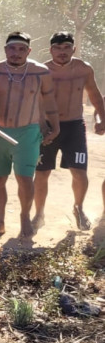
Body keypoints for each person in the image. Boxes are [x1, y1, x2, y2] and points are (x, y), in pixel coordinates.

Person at [0, 32, 59, 238]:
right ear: (5, 49)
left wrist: (55, 127)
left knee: (25, 179)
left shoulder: (40, 72)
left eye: (21, 49)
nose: (16, 53)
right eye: (12, 48)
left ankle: (25, 218)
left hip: (28, 132)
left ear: (29, 51)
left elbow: (49, 100)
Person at [32, 32, 105, 231]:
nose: (62, 52)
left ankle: (78, 208)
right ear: (51, 50)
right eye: (57, 48)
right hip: (47, 126)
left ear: (74, 49)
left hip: (74, 127)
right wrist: (41, 125)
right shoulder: (42, 71)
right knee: (42, 172)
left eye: (66, 47)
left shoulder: (83, 69)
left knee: (80, 172)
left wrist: (101, 119)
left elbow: (95, 95)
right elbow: (35, 101)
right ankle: (39, 214)